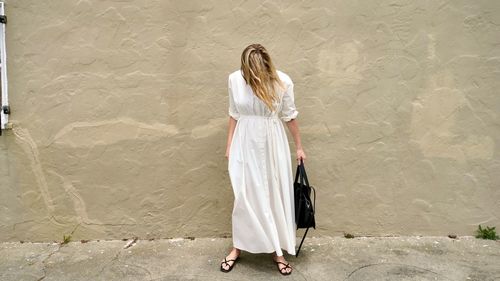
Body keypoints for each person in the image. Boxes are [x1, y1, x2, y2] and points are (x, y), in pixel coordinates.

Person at [220, 43, 306, 275]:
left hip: (271, 142)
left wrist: (299, 146)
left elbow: (290, 115)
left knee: (271, 193)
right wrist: (229, 146)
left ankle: (277, 251)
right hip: (244, 141)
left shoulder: (282, 81)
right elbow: (234, 113)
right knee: (244, 195)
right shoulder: (235, 79)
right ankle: (238, 247)